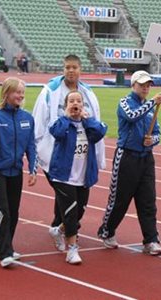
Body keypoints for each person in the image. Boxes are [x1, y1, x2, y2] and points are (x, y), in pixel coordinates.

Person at [33, 54, 106, 253]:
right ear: (63, 69)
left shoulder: (87, 93)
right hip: (55, 157)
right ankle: (70, 236)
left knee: (74, 201)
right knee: (67, 196)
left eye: (74, 67)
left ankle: (60, 227)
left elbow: (97, 126)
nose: (71, 71)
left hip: (82, 159)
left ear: (80, 69)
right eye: (67, 67)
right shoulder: (51, 91)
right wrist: (39, 153)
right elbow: (40, 123)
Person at [97, 70, 161, 256]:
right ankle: (107, 230)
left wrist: (153, 140)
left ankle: (151, 239)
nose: (146, 88)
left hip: (146, 158)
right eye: (142, 84)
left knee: (148, 201)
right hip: (127, 157)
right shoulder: (125, 102)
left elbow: (157, 133)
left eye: (148, 85)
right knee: (120, 200)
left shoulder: (152, 111)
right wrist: (153, 103)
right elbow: (132, 116)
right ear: (133, 85)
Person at [0, 77, 37, 268]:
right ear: (6, 93)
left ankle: (8, 246)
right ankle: (3, 252)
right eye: (17, 92)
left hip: (16, 172)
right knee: (3, 211)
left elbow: (31, 146)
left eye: (22, 92)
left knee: (13, 211)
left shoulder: (27, 118)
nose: (20, 95)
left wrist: (32, 169)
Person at [48, 90, 107, 264]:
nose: (75, 104)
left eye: (78, 101)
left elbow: (100, 132)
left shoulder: (89, 124)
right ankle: (72, 249)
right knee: (71, 212)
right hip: (63, 176)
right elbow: (56, 132)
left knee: (79, 211)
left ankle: (58, 230)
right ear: (66, 105)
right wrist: (67, 117)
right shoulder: (61, 122)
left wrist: (87, 119)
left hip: (83, 176)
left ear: (83, 105)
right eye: (71, 101)